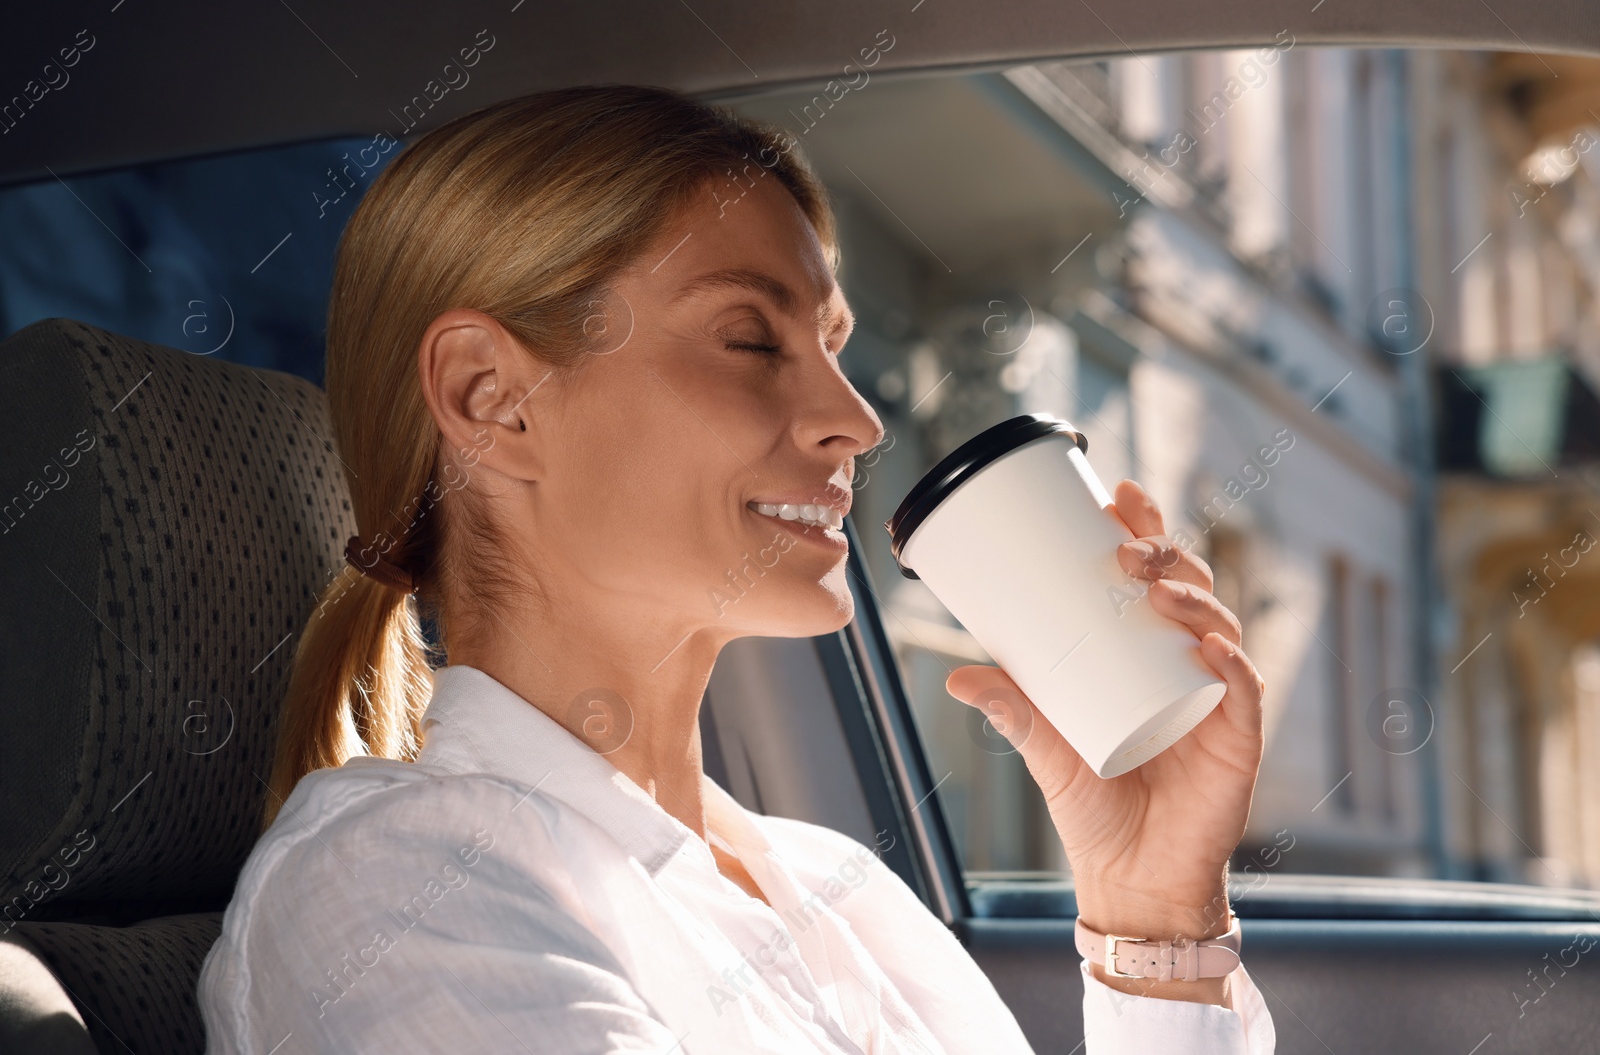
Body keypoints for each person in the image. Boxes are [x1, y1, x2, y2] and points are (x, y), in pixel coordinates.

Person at [196, 83, 1274, 1053]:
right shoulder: (393, 884)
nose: (854, 421)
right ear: (492, 397)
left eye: (836, 346)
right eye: (753, 341)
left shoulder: (838, 888)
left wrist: (1156, 916)